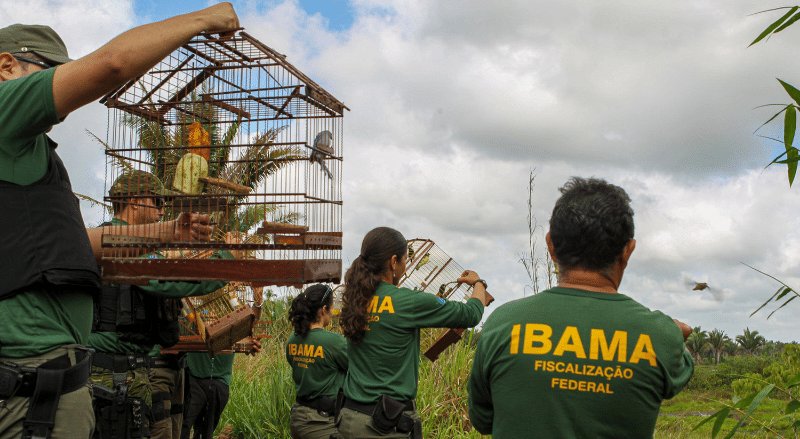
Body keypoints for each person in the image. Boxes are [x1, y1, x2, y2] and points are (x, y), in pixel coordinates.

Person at [0, 6, 238, 438]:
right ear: (6, 65)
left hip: (50, 381)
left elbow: (72, 243)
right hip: (29, 381)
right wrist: (205, 20)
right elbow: (111, 65)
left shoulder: (26, 158)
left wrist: (165, 231)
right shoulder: (3, 112)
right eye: (50, 73)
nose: (64, 97)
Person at [468, 177, 694, 439]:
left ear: (551, 245)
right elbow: (677, 375)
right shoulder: (660, 335)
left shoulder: (504, 322)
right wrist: (674, 334)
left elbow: (484, 420)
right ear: (628, 251)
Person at [89, 170, 235, 439]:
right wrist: (228, 260)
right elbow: (174, 279)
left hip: (129, 368)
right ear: (134, 200)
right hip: (111, 372)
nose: (161, 210)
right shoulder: (118, 243)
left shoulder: (125, 243)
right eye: (156, 201)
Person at [337, 227, 491, 438]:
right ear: (393, 262)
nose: (406, 268)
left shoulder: (354, 300)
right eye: (405, 261)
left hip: (349, 420)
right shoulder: (407, 301)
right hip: (385, 426)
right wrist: (478, 283)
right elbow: (471, 313)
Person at [285, 284, 348, 439]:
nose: (333, 313)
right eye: (332, 308)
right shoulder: (333, 342)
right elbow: (360, 367)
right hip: (321, 423)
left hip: (299, 416)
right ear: (323, 309)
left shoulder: (292, 339)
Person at [181, 335, 261, 439]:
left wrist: (250, 344)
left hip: (218, 380)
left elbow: (246, 340)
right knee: (184, 426)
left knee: (205, 430)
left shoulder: (232, 321)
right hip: (194, 377)